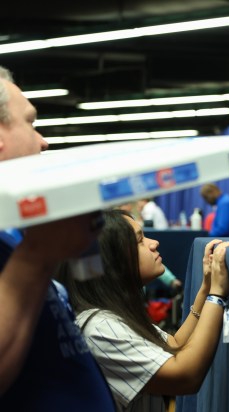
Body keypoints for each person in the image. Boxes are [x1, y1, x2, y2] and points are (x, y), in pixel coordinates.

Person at [0, 66, 115, 409]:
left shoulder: (11, 233)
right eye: (31, 123)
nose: (43, 141)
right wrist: (38, 255)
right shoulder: (24, 247)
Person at [57, 209, 229, 411]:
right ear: (113, 262)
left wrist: (206, 289)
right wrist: (216, 295)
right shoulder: (101, 328)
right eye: (140, 241)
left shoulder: (113, 313)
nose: (154, 243)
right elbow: (185, 376)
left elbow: (174, 345)